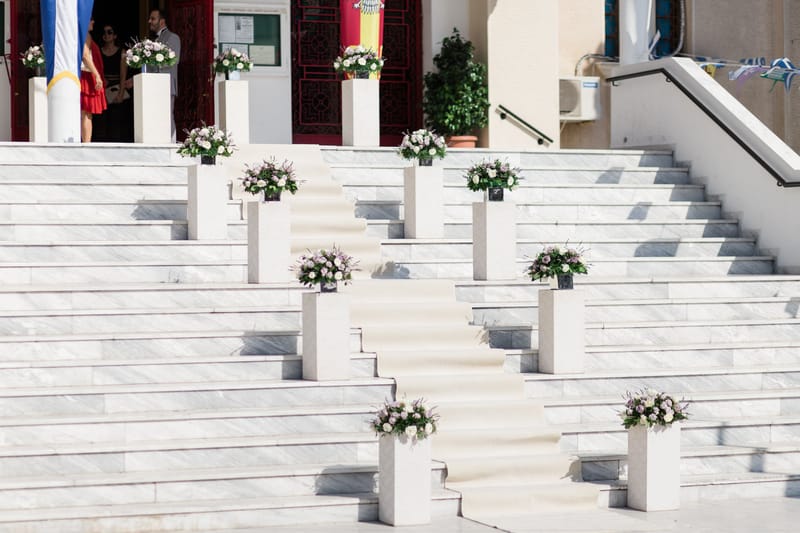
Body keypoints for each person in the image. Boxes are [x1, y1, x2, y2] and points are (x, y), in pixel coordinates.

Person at [94, 24, 131, 142]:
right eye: (104, 32)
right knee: (101, 121)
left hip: (116, 87)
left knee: (116, 121)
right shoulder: (99, 51)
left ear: (115, 35)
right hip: (101, 88)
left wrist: (121, 93)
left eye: (110, 32)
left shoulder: (122, 51)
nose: (106, 35)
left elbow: (123, 74)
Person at [148, 9, 181, 142]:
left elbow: (174, 60)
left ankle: (171, 145)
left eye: (153, 18)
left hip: (166, 85)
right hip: (153, 86)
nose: (149, 21)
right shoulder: (153, 39)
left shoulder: (172, 37)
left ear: (162, 21)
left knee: (166, 116)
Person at [80, 18, 106, 143]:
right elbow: (85, 56)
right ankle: (86, 144)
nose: (93, 22)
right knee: (86, 112)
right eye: (90, 19)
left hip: (88, 75)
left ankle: (86, 142)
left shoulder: (85, 34)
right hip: (87, 76)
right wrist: (97, 75)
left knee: (87, 113)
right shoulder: (85, 34)